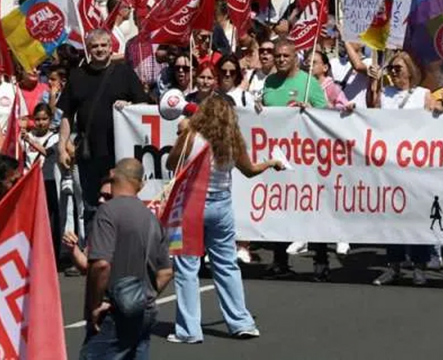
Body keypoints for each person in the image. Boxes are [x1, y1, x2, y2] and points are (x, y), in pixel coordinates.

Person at [165, 95, 284, 343]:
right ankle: (241, 322)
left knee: (187, 268)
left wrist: (182, 134)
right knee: (227, 263)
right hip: (221, 207)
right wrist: (271, 162)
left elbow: (171, 162)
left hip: (191, 207)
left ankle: (189, 331)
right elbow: (250, 171)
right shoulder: (233, 140)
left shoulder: (192, 136)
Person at [58, 29, 151, 238]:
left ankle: (121, 251)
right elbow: (67, 114)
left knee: (120, 203)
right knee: (91, 205)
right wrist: (61, 145)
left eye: (103, 45)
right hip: (89, 153)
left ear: (111, 48)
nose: (99, 50)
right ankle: (94, 252)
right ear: (88, 50)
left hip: (120, 154)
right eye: (94, 46)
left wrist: (130, 106)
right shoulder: (77, 76)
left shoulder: (125, 73)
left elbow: (144, 105)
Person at [79, 159, 173, 360]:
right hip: (144, 311)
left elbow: (101, 264)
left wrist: (95, 305)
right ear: (141, 184)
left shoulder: (108, 212)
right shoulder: (151, 219)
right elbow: (166, 271)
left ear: (112, 174)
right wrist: (143, 298)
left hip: (114, 312)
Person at [260, 39, 328, 279]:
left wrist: (310, 108)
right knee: (278, 207)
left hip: (306, 157)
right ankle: (280, 260)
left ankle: (321, 260)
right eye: (277, 56)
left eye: (285, 56)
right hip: (277, 155)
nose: (280, 60)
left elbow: (326, 115)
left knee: (312, 208)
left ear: (295, 57)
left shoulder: (308, 82)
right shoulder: (269, 81)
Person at [367, 52, 435, 286]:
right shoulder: (385, 94)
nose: (393, 73)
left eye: (397, 68)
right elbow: (371, 117)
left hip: (417, 167)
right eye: (391, 69)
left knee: (417, 218)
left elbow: (436, 126)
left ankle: (419, 266)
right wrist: (373, 83)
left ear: (410, 69)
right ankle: (393, 266)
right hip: (391, 167)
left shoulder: (424, 95)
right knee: (393, 220)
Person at [24, 103, 61, 257]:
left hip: (48, 181)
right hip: (30, 182)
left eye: (44, 119)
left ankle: (52, 251)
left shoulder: (55, 137)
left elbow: (48, 153)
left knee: (50, 217)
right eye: (37, 119)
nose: (41, 122)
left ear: (50, 119)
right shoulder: (27, 135)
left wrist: (30, 141)